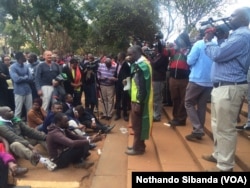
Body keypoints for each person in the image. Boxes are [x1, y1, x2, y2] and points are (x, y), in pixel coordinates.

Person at [202, 7, 250, 172]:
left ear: (244, 19)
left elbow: (218, 55)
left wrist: (208, 41)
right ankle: (219, 155)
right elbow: (226, 55)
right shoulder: (236, 36)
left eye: (233, 15)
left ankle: (225, 167)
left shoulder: (242, 36)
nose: (229, 18)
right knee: (217, 125)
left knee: (225, 129)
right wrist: (222, 39)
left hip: (230, 88)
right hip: (223, 87)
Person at [0, 106, 57, 171]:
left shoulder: (15, 119)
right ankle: (43, 160)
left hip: (24, 141)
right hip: (13, 148)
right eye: (9, 111)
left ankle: (54, 154)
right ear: (3, 115)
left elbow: (29, 131)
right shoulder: (1, 126)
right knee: (15, 144)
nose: (12, 112)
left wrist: (47, 137)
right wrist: (32, 147)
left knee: (40, 136)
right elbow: (14, 138)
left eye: (11, 110)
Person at [184, 32, 214, 141]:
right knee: (202, 105)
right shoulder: (215, 44)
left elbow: (189, 60)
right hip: (210, 80)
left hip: (197, 78)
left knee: (188, 102)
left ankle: (197, 129)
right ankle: (199, 130)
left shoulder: (199, 44)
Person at [125, 45, 153, 155]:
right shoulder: (139, 64)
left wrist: (139, 103)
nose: (128, 57)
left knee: (137, 126)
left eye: (130, 54)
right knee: (137, 124)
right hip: (135, 99)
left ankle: (137, 148)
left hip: (138, 101)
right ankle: (139, 145)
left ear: (137, 53)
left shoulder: (142, 66)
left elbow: (142, 87)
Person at [9, 52, 33, 118]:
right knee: (18, 110)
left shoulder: (26, 66)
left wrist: (21, 77)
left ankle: (29, 125)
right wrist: (25, 77)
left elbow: (31, 78)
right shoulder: (13, 67)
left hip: (28, 90)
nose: (25, 57)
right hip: (18, 92)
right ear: (19, 58)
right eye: (24, 56)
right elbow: (16, 79)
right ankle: (16, 127)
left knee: (30, 110)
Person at [114, 51, 131, 121]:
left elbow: (127, 75)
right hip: (118, 84)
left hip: (125, 83)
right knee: (118, 99)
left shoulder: (126, 65)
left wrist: (118, 79)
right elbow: (117, 73)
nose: (117, 57)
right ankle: (118, 114)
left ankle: (125, 114)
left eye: (118, 56)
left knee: (124, 99)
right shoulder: (118, 64)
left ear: (121, 57)